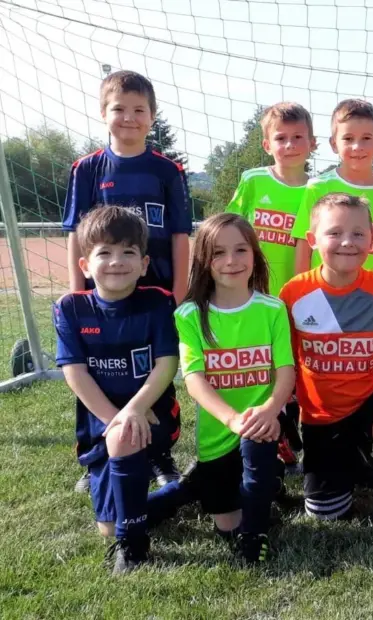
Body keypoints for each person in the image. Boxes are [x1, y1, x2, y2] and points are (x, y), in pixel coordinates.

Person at [62, 69, 190, 491]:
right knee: (99, 369)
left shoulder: (168, 170)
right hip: (102, 293)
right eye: (119, 109)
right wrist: (76, 293)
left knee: (154, 370)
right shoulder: (86, 168)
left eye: (139, 110)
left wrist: (180, 292)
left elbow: (179, 234)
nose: (129, 118)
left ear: (152, 117)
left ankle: (159, 455)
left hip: (155, 293)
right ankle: (97, 457)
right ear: (103, 113)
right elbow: (75, 234)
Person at [279, 193, 373, 537]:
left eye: (358, 234)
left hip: (372, 400)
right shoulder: (293, 293)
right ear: (312, 240)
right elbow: (282, 360)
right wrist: (280, 406)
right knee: (326, 516)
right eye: (334, 233)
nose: (347, 242)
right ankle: (363, 467)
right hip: (321, 414)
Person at [53, 206, 180, 573]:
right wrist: (115, 419)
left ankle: (135, 542)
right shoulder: (70, 308)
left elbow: (166, 363)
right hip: (102, 424)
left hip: (151, 413)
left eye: (128, 252)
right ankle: (184, 491)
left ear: (143, 264)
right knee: (105, 529)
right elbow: (75, 372)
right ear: (85, 265)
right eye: (104, 253)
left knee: (127, 446)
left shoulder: (157, 301)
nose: (116, 261)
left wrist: (135, 409)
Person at [174, 213, 296, 564]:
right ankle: (202, 488)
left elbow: (285, 371)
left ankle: (254, 537)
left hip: (262, 423)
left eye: (241, 250)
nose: (231, 261)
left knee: (257, 451)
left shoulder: (272, 309)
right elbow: (194, 379)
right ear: (204, 262)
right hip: (220, 430)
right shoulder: (189, 315)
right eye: (218, 253)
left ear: (255, 255)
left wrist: (271, 409)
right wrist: (230, 419)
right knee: (226, 522)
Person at [225, 101, 316, 471]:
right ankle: (261, 434)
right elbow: (229, 227)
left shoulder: (319, 189)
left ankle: (291, 437)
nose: (290, 144)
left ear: (312, 143)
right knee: (260, 366)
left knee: (294, 367)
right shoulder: (254, 181)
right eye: (281, 138)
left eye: (298, 137)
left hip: (297, 297)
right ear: (267, 144)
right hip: (254, 296)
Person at [290, 99, 373, 283]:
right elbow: (304, 244)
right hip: (322, 295)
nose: (357, 147)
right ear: (334, 143)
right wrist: (299, 292)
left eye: (366, 138)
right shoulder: (317, 187)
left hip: (368, 298)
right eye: (348, 139)